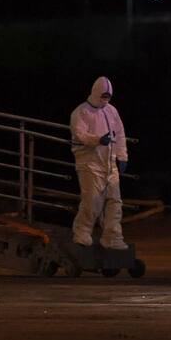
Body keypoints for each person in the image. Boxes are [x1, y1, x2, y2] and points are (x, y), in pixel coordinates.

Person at [70, 76, 129, 250]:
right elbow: (79, 134)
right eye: (103, 95)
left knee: (114, 202)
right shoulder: (81, 112)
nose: (106, 99)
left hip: (109, 164)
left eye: (108, 96)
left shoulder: (111, 111)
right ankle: (82, 232)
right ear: (96, 92)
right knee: (91, 201)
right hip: (90, 164)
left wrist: (122, 156)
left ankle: (112, 237)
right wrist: (97, 140)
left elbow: (120, 134)